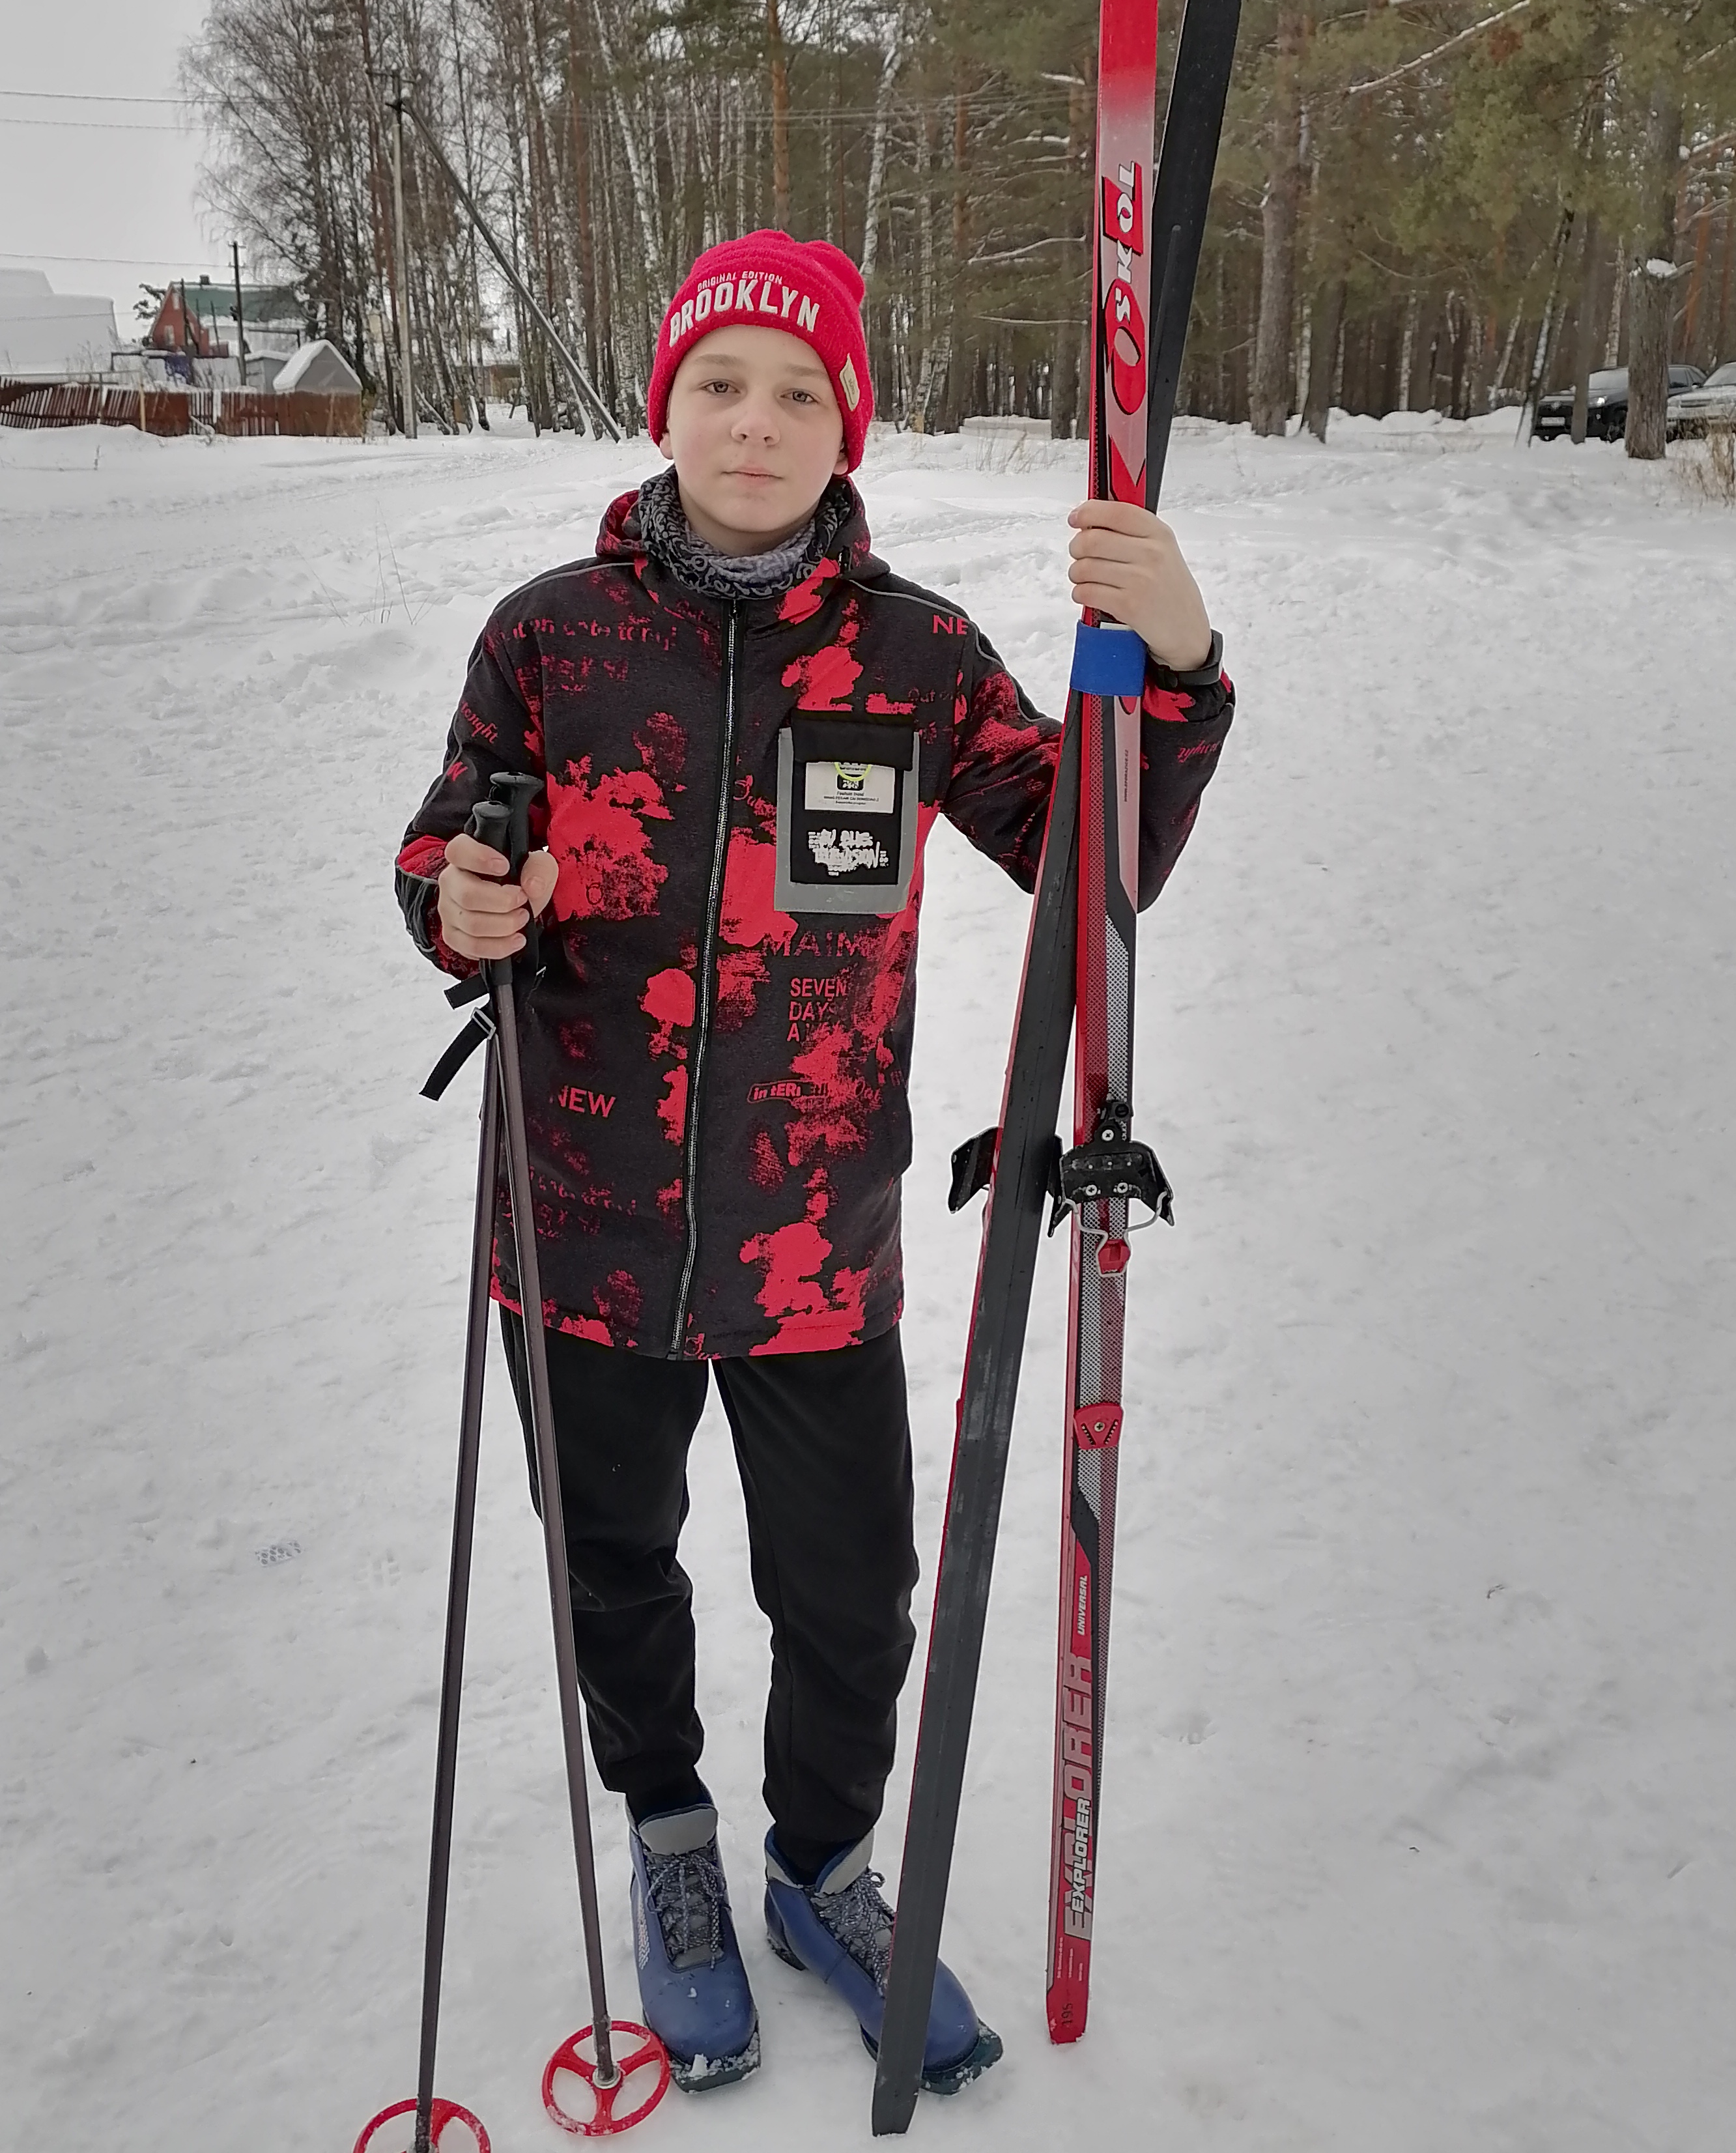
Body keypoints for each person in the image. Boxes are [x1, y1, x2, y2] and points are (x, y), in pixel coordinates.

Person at [395, 231, 1232, 2098]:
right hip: (581, 1231)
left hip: (810, 1246)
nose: (755, 424)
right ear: (665, 405)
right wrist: (460, 900)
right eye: (720, 384)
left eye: (797, 391)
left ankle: (825, 1868)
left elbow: (1093, 856)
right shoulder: (548, 637)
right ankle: (674, 1844)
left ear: (848, 423)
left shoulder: (915, 653)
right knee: (613, 1569)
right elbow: (446, 843)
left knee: (851, 1597)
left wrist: (1177, 664)